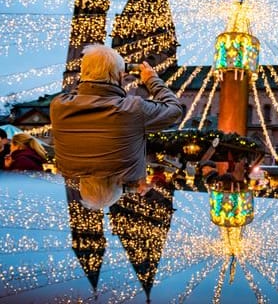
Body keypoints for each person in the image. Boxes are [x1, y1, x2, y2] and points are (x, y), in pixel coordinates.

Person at [50, 44, 183, 209]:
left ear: (83, 74)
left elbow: (83, 93)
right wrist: (151, 79)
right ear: (121, 77)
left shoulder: (58, 106)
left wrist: (91, 73)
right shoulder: (133, 109)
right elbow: (175, 109)